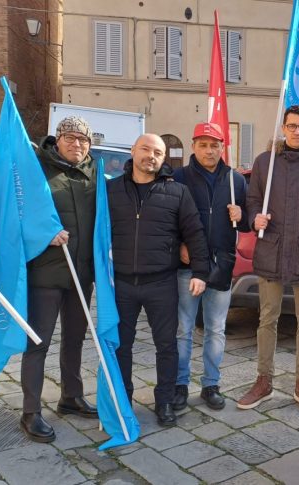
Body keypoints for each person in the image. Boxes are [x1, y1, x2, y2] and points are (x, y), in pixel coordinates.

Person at [238, 105, 299, 413]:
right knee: (267, 319)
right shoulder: (266, 162)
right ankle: (263, 381)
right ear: (283, 127)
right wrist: (255, 218)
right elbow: (252, 200)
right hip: (272, 251)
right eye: (292, 126)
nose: (297, 131)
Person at [109, 133, 209, 427]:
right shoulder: (111, 190)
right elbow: (96, 232)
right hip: (122, 283)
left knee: (167, 345)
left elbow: (195, 233)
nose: (150, 156)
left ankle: (164, 401)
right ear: (132, 150)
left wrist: (201, 272)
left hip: (161, 282)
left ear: (164, 159)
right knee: (120, 346)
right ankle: (122, 400)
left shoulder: (177, 192)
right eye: (145, 149)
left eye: (157, 152)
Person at [20, 116, 98, 443]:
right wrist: (42, 234)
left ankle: (71, 396)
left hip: (82, 274)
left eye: (83, 139)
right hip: (47, 273)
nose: (77, 144)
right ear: (58, 138)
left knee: (75, 339)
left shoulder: (96, 176)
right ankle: (30, 410)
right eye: (71, 137)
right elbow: (17, 213)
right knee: (38, 342)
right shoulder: (37, 169)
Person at [172, 123, 249, 411]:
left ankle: (210, 384)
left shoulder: (235, 180)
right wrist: (179, 244)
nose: (209, 150)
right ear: (193, 146)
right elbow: (168, 217)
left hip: (222, 265)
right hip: (188, 266)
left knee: (216, 330)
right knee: (183, 329)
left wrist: (242, 215)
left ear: (222, 148)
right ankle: (180, 384)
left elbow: (246, 222)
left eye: (214, 144)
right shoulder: (179, 177)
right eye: (203, 144)